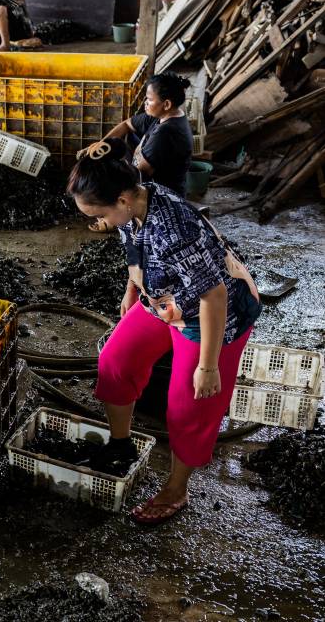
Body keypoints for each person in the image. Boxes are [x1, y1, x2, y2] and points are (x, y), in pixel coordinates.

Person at [67, 140, 260, 525]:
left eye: (98, 214)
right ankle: (120, 446)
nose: (96, 222)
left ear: (121, 200)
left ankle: (177, 490)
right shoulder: (135, 202)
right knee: (115, 361)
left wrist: (208, 366)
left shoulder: (173, 229)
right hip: (165, 300)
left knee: (188, 406)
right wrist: (131, 290)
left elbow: (215, 295)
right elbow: (132, 247)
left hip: (213, 313)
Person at [87, 73, 194, 231]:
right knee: (125, 138)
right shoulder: (163, 116)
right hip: (150, 176)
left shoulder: (166, 133)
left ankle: (114, 219)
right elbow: (126, 124)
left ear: (166, 104)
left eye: (149, 100)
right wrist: (102, 144)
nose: (145, 103)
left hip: (163, 197)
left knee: (110, 179)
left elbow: (137, 177)